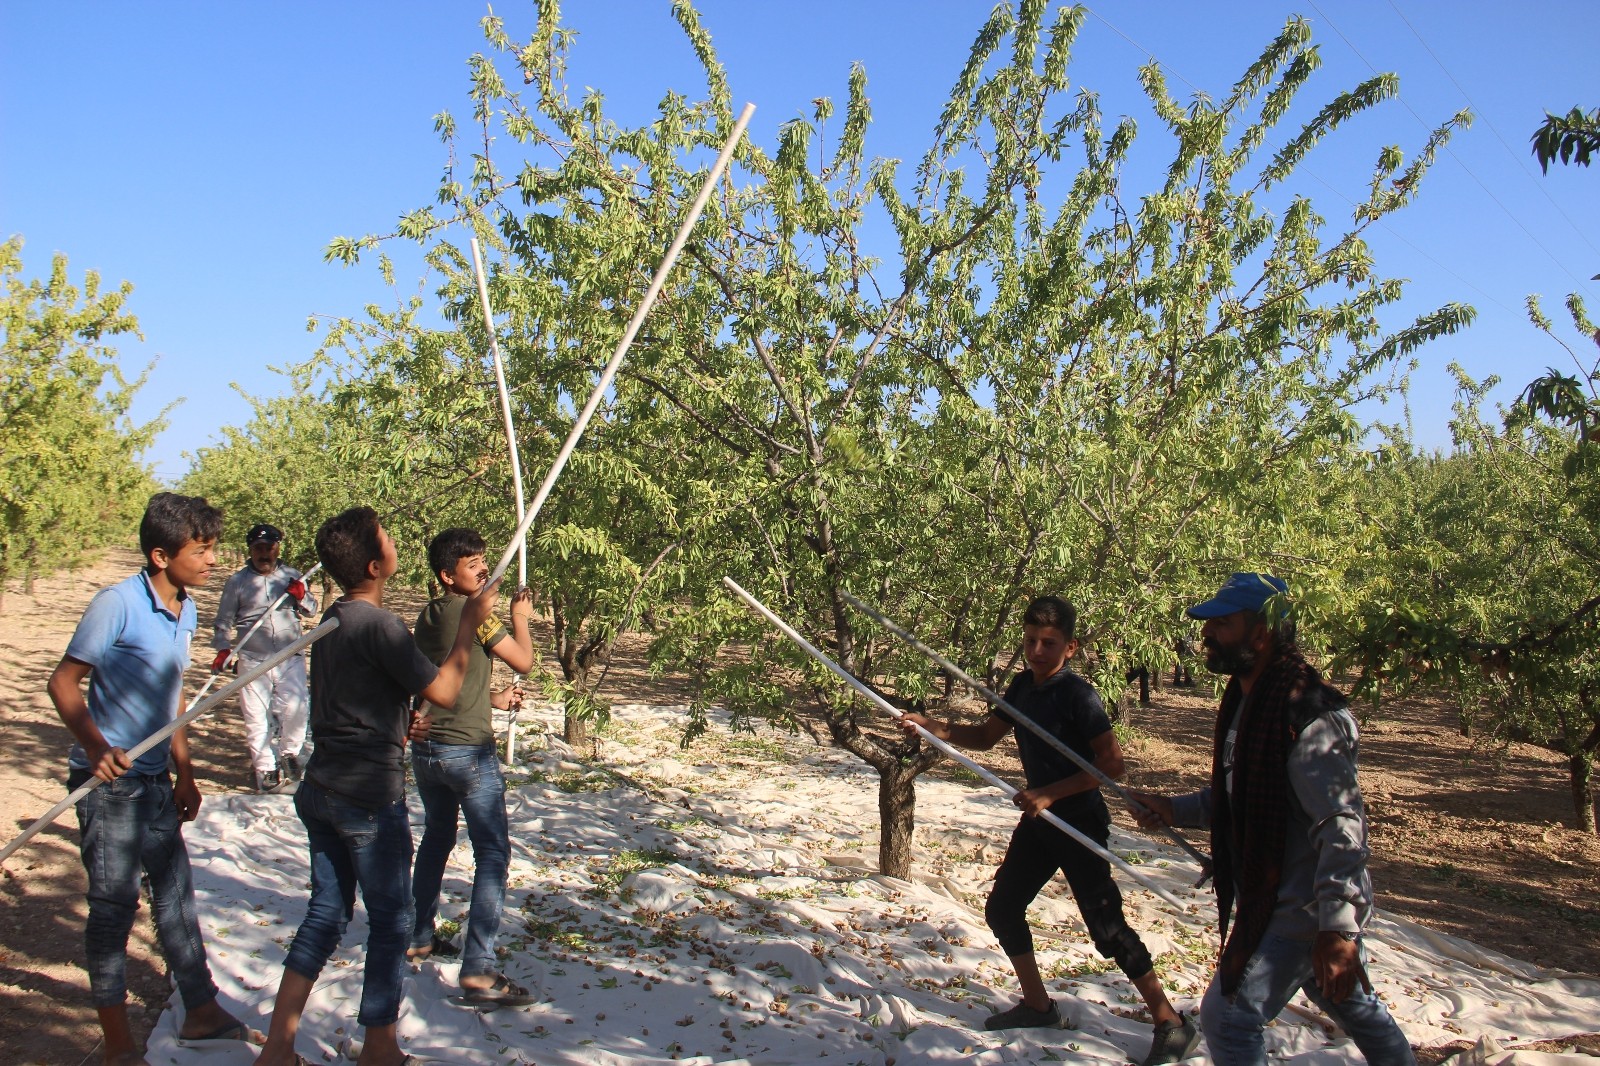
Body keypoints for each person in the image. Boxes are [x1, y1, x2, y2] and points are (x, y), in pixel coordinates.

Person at [1128, 573, 1415, 1066]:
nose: (1207, 634)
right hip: (1281, 897)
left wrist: (1338, 929)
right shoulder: (1250, 700)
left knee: (1227, 1018)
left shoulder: (1308, 716)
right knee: (1346, 1000)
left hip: (1302, 908)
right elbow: (1246, 797)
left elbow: (1341, 827)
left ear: (1261, 633)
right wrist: (1178, 809)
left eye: (1223, 623)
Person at [901, 595, 1199, 1066]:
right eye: (1030, 641)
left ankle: (1171, 1022)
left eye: (1048, 643)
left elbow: (1112, 765)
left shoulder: (1079, 696)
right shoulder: (1021, 686)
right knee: (1002, 908)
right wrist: (932, 725)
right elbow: (984, 737)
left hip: (1078, 822)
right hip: (1041, 823)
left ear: (1070, 647)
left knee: (1107, 928)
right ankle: (1039, 1006)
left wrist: (1050, 793)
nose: (1037, 651)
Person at [254, 507, 499, 1066]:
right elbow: (442, 690)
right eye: (387, 539)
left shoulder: (336, 619)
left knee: (325, 913)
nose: (394, 543)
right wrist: (469, 624)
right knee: (389, 921)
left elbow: (356, 699)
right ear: (374, 563)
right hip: (367, 796)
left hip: (322, 787)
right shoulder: (380, 625)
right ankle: (381, 1048)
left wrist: (396, 718)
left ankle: (278, 1047)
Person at [47, 492, 254, 1065]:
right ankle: (117, 1046)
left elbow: (173, 701)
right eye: (203, 550)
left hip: (157, 783)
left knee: (175, 896)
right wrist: (96, 747)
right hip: (111, 788)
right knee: (113, 909)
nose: (213, 560)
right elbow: (64, 683)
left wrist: (184, 770)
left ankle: (202, 1008)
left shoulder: (185, 609)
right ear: (162, 556)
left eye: (214, 548)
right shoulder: (116, 604)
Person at [407, 527, 537, 1005]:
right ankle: (479, 969)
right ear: (448, 575)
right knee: (493, 853)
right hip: (466, 752)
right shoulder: (472, 614)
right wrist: (519, 618)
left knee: (437, 838)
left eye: (484, 558)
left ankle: (419, 933)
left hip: (429, 751)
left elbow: (449, 679)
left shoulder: (431, 613)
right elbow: (522, 660)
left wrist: (493, 699)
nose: (484, 568)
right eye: (472, 563)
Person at [210, 522, 318, 793]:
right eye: (258, 548)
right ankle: (265, 768)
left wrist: (302, 595)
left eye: (269, 548)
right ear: (250, 550)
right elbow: (223, 621)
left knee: (296, 709)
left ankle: (289, 754)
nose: (264, 554)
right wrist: (223, 648)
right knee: (256, 717)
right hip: (252, 659)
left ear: (277, 548)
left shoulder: (293, 576)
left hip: (289, 655)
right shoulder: (237, 582)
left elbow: (312, 610)